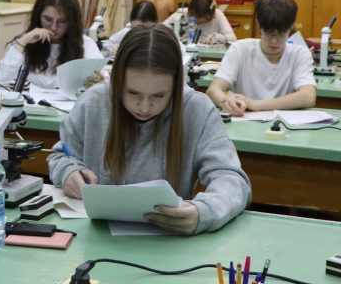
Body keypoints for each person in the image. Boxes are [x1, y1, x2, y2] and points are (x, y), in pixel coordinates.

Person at [48, 24, 251, 234]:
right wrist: (68, 171)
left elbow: (232, 180)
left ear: (176, 85)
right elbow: (61, 154)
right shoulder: (93, 102)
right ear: (117, 80)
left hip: (169, 242)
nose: (144, 107)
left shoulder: (196, 109)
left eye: (158, 95)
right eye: (133, 93)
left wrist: (203, 212)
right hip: (95, 237)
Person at [206, 0, 316, 115]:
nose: (274, 41)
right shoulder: (240, 49)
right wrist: (226, 101)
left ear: (290, 28)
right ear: (259, 25)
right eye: (269, 32)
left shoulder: (300, 54)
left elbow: (308, 96)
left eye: (281, 33)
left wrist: (255, 104)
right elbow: (213, 90)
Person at [0, 0, 102, 88]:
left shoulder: (86, 44)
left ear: (72, 21)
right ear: (38, 16)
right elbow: (1, 79)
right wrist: (22, 42)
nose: (53, 27)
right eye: (48, 19)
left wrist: (98, 81)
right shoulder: (26, 41)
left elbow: (101, 80)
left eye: (62, 21)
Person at [169, 0, 236, 45]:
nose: (198, 23)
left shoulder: (218, 15)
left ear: (211, 15)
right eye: (195, 19)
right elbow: (163, 29)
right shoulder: (182, 13)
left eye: (202, 21)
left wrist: (217, 37)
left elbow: (233, 38)